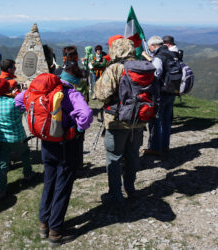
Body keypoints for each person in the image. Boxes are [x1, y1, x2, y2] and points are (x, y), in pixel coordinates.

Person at [24, 71, 92, 246]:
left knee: (49, 181)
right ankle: (55, 231)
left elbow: (19, 102)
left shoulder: (38, 90)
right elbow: (86, 114)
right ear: (73, 81)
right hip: (65, 145)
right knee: (62, 186)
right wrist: (78, 129)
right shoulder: (70, 93)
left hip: (46, 143)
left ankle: (43, 224)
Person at [94, 36, 146, 206]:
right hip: (138, 121)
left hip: (117, 122)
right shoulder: (144, 67)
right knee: (132, 156)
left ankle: (115, 195)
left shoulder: (115, 69)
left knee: (114, 158)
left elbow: (102, 95)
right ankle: (131, 189)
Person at [0, 77, 34, 200]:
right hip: (18, 136)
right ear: (6, 89)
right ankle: (28, 174)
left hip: (2, 138)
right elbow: (24, 110)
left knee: (3, 163)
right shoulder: (13, 102)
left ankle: (1, 189)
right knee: (25, 154)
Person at [143, 36, 177, 156]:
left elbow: (155, 75)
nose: (150, 50)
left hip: (161, 93)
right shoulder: (172, 54)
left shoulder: (159, 57)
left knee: (156, 120)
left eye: (150, 48)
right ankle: (165, 146)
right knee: (166, 121)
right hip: (172, 91)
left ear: (153, 46)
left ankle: (155, 148)